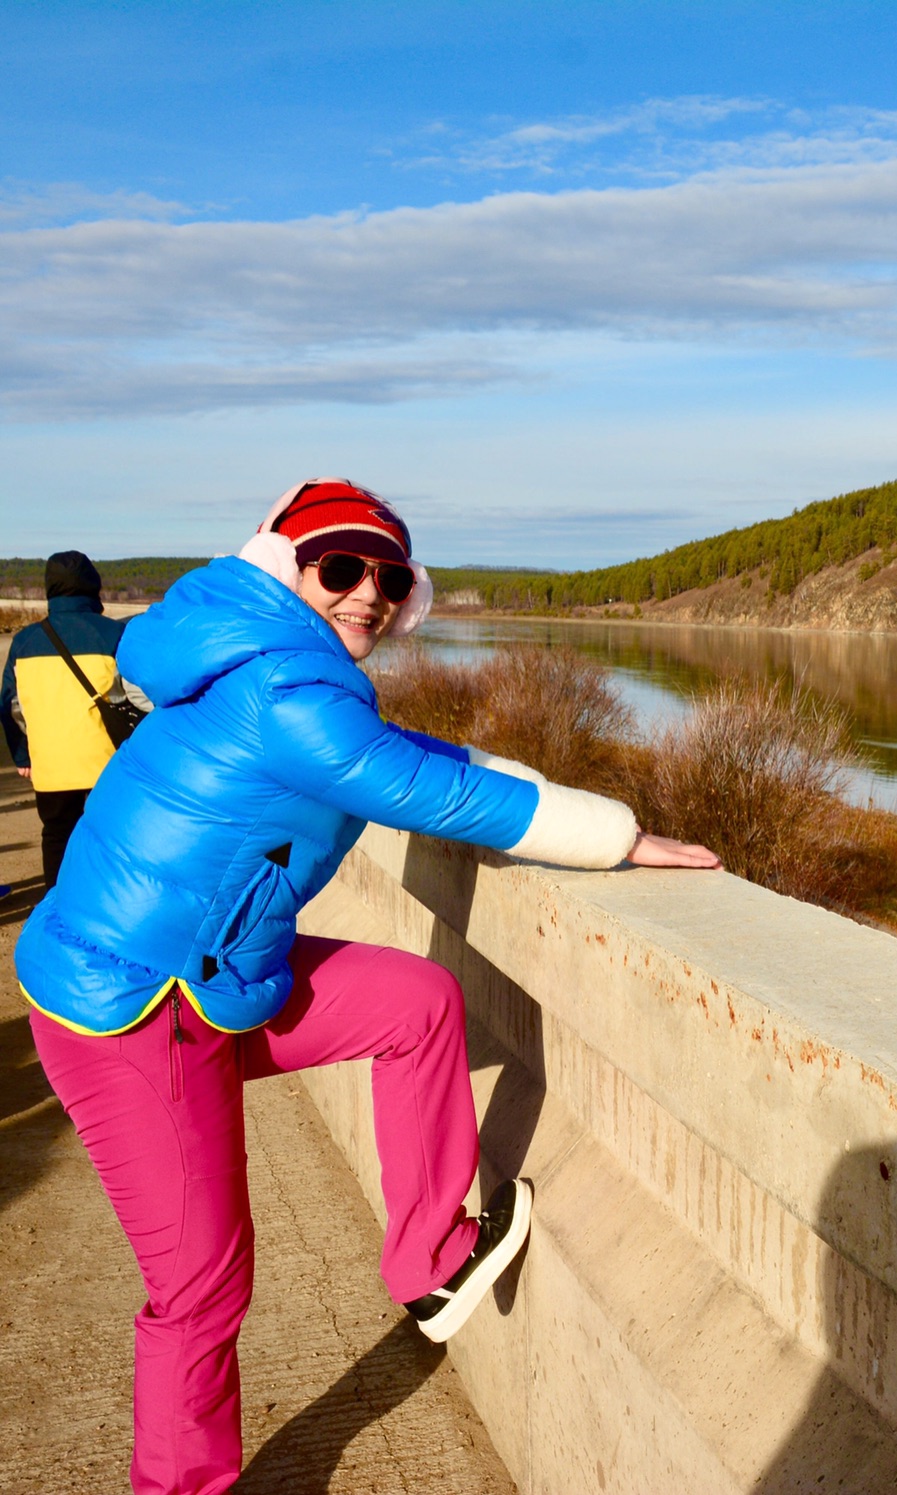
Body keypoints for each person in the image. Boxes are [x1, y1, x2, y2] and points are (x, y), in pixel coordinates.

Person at [14, 479, 720, 1495]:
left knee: (414, 1005)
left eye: (389, 577)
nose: (368, 594)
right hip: (138, 1008)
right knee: (202, 1290)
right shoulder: (288, 693)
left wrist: (536, 782)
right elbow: (433, 789)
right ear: (286, 571)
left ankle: (431, 1260)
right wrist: (621, 835)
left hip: (211, 975)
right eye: (339, 568)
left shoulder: (260, 655)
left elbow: (409, 755)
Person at [1, 551, 146, 886]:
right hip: (109, 763)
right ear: (93, 587)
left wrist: (23, 755)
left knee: (56, 837)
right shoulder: (115, 635)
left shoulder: (24, 641)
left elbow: (11, 706)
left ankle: (56, 910)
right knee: (111, 837)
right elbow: (139, 697)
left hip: (51, 765)